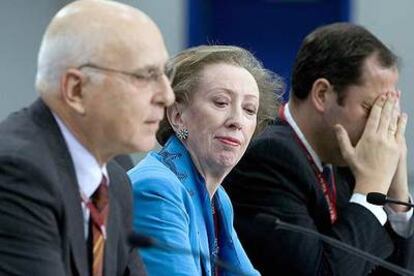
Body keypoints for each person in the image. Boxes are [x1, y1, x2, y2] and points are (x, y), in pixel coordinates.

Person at [223, 23, 414, 275]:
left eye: (387, 110)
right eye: (371, 108)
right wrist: (371, 187)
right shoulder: (268, 156)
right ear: (322, 94)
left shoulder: (347, 161)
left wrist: (396, 190)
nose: (380, 127)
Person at [0, 0, 174, 275]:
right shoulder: (16, 172)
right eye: (145, 76)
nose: (167, 96)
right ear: (76, 89)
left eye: (165, 74)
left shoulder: (116, 182)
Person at [128, 45, 282, 275]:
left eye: (249, 109)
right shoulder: (157, 189)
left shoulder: (218, 199)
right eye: (221, 102)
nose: (237, 120)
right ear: (178, 116)